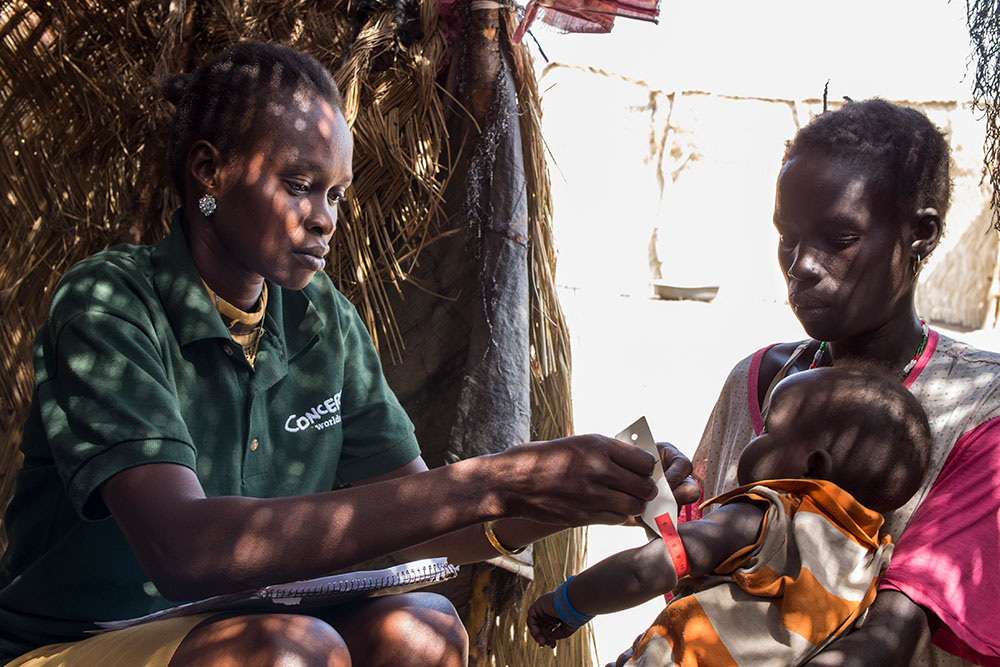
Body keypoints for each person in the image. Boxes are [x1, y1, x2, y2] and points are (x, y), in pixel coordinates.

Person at [0, 42, 695, 667]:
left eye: (335, 194)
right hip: (80, 639)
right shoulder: (109, 303)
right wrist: (496, 479)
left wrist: (571, 491)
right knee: (288, 650)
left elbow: (434, 537)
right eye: (299, 185)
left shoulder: (319, 318)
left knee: (422, 629)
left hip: (239, 630)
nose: (326, 217)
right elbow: (186, 551)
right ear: (209, 170)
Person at [680, 99, 1000, 666]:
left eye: (838, 237)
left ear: (919, 235)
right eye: (788, 237)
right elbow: (702, 579)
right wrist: (664, 501)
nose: (801, 264)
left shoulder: (980, 410)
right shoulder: (755, 381)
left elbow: (895, 633)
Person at [527, 366, 933, 666]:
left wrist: (568, 603)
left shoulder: (770, 514)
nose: (753, 439)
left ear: (812, 468)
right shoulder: (864, 565)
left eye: (767, 431)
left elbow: (650, 569)